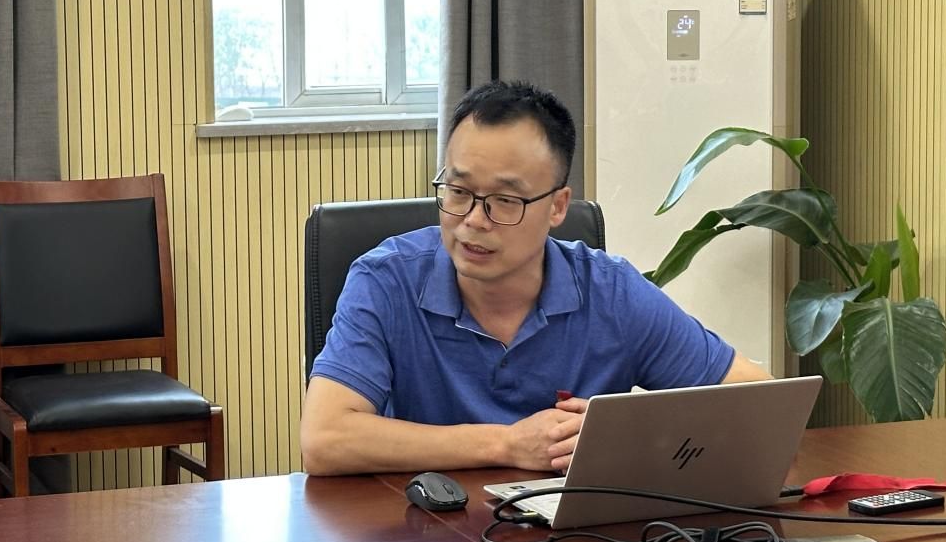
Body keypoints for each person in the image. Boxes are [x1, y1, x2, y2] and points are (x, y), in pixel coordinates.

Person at [300, 80, 769, 476]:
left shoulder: (611, 292)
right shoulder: (386, 280)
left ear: (558, 207)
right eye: (458, 191)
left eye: (505, 201)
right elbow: (325, 439)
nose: (473, 221)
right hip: (424, 536)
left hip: (575, 536)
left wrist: (624, 433)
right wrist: (506, 444)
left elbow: (757, 401)